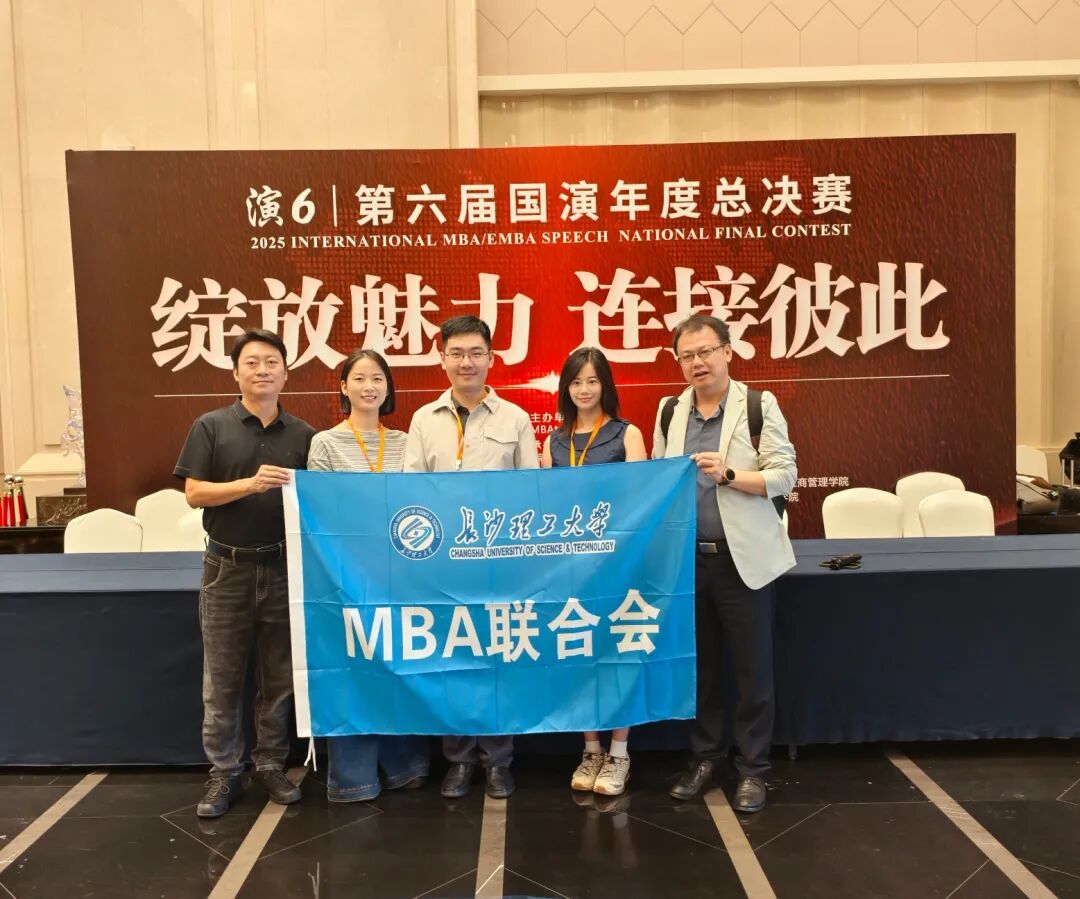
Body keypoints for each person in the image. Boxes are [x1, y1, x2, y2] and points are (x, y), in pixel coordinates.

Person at [652, 315, 796, 814]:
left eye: (706, 351)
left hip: (743, 561)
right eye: (687, 355)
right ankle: (705, 758)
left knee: (753, 670)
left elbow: (785, 476)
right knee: (703, 669)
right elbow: (660, 480)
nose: (698, 362)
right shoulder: (670, 411)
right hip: (689, 561)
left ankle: (753, 768)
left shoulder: (758, 405)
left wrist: (730, 474)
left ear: (728, 352)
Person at [174, 329, 315, 818]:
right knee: (222, 680)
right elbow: (194, 493)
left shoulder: (303, 434)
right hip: (226, 569)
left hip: (283, 567)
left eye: (271, 362)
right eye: (252, 362)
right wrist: (249, 485)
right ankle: (223, 773)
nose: (262, 370)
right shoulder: (211, 426)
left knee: (279, 678)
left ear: (286, 373)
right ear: (236, 373)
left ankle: (270, 764)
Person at [403, 315, 539, 800]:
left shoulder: (515, 418)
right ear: (442, 359)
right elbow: (411, 491)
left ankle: (499, 761)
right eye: (457, 353)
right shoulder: (424, 419)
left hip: (500, 561)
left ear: (490, 359)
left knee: (500, 658)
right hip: (443, 562)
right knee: (452, 659)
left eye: (476, 353)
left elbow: (532, 490)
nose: (467, 362)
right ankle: (459, 760)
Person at [307, 348, 431, 802]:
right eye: (359, 378)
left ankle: (406, 766)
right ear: (344, 387)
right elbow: (321, 509)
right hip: (345, 574)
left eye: (377, 378)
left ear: (388, 387)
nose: (369, 386)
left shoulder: (406, 441)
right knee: (353, 667)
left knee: (399, 664)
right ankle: (354, 777)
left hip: (402, 573)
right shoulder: (324, 443)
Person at [541, 347, 646, 797]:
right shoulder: (554, 441)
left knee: (620, 653)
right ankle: (591, 749)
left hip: (619, 563)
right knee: (579, 653)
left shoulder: (627, 434)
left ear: (606, 385)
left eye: (592, 381)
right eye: (576, 382)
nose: (584, 390)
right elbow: (545, 504)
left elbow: (643, 500)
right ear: (565, 388)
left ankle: (619, 753)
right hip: (571, 567)